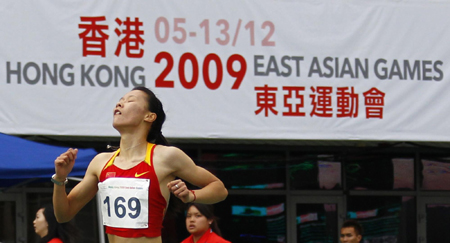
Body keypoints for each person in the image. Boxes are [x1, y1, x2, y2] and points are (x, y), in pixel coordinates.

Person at [52, 86, 228, 243]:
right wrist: (60, 179)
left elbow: (219, 189)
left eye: (130, 100)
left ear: (149, 116)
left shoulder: (166, 156)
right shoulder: (101, 162)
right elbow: (63, 214)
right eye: (119, 101)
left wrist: (191, 196)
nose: (119, 104)